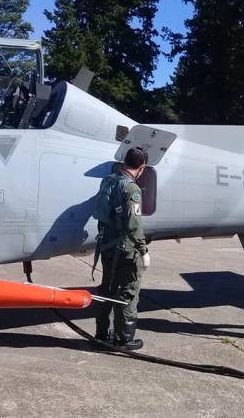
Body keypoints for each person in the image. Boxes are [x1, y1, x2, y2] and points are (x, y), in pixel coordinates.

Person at [93, 148, 151, 351]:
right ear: (142, 168)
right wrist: (143, 251)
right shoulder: (131, 189)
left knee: (106, 289)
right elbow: (134, 225)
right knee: (128, 293)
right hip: (125, 250)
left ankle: (101, 334)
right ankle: (124, 339)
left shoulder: (108, 180)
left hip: (107, 247)